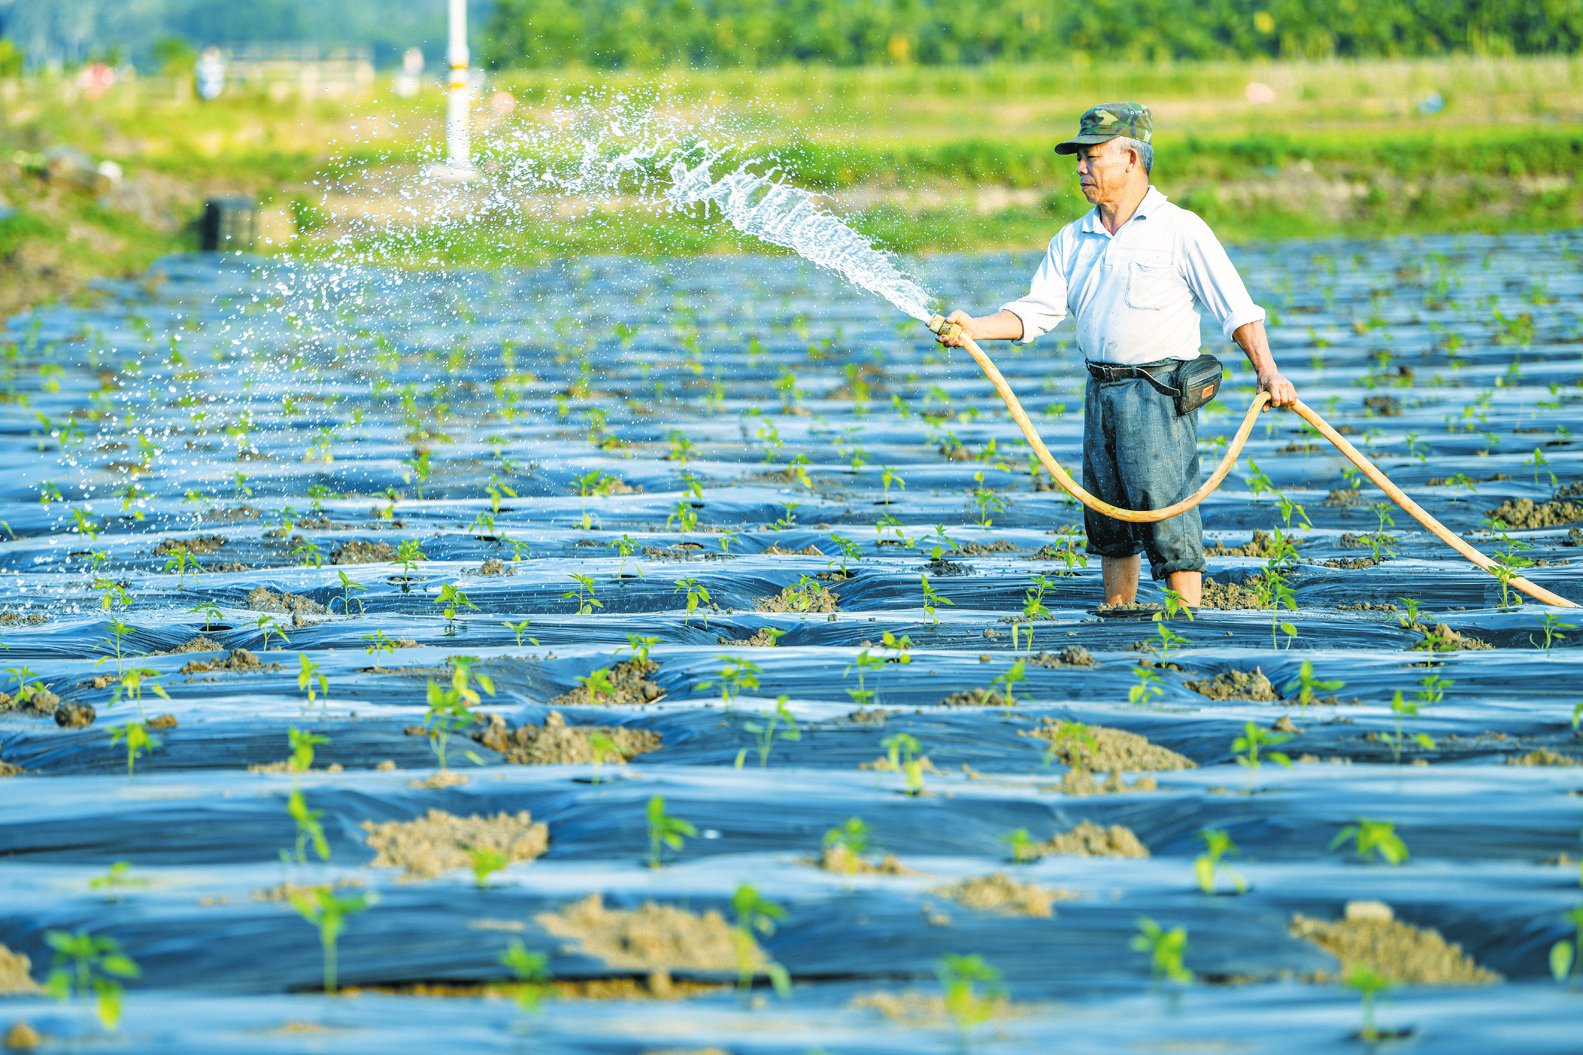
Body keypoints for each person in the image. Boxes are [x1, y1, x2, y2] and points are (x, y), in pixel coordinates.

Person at [936, 101, 1297, 609]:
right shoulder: (1073, 238)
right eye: (1078, 158)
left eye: (1092, 156)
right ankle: (1118, 616)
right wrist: (975, 328)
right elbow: (1036, 311)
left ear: (1131, 159)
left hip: (1159, 392)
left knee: (1167, 515)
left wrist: (1268, 371)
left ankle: (1186, 624)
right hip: (1101, 390)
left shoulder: (1179, 229)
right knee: (1109, 519)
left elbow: (1236, 308)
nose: (1081, 168)